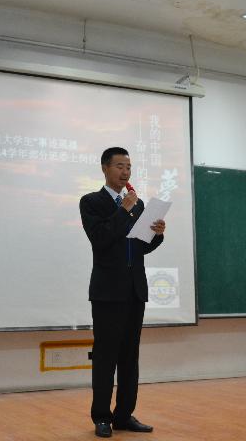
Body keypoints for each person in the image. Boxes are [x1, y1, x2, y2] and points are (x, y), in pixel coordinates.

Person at [79, 147, 166, 438]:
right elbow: (101, 238)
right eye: (119, 166)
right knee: (105, 357)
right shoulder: (91, 202)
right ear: (105, 168)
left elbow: (140, 247)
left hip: (135, 290)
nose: (125, 172)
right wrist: (123, 210)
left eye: (128, 167)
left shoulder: (138, 204)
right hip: (107, 292)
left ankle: (124, 415)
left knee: (130, 357)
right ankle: (102, 417)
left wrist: (157, 233)